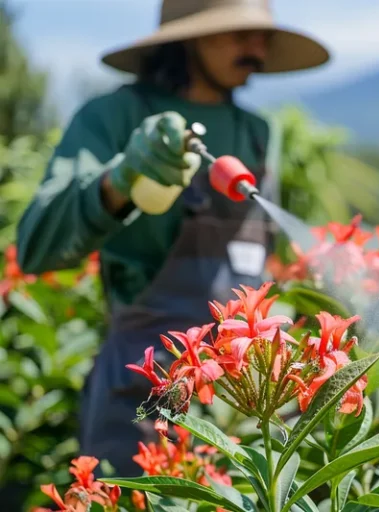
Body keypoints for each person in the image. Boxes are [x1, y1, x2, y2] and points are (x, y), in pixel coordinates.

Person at [15, 0, 329, 477]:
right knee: (138, 492)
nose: (257, 46)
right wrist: (117, 181)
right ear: (188, 37)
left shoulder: (258, 133)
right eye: (237, 32)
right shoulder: (116, 115)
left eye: (261, 34)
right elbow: (37, 244)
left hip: (247, 397)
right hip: (149, 394)